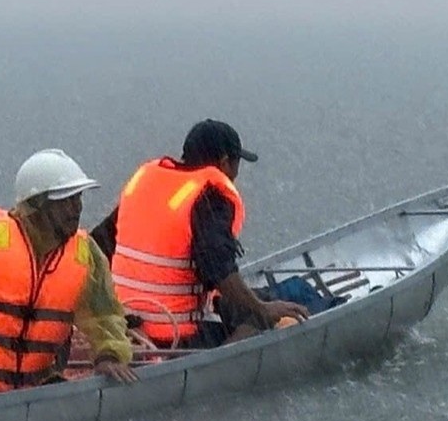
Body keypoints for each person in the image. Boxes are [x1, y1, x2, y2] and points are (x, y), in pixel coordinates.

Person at [0, 149, 139, 395]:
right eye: (66, 201)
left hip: (33, 394)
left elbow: (105, 315)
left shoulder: (85, 254)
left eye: (78, 198)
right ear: (36, 206)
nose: (77, 208)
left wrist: (109, 355)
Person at [92, 119, 308, 347]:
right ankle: (223, 364)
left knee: (231, 301)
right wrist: (263, 308)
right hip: (174, 337)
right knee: (258, 313)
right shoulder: (210, 196)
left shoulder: (146, 182)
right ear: (225, 163)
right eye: (236, 164)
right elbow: (219, 269)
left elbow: (98, 245)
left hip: (125, 324)